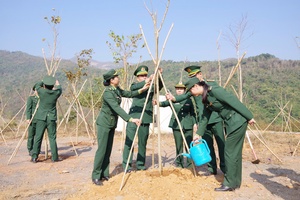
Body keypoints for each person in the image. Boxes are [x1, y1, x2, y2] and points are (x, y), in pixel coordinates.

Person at [182, 78, 255, 191]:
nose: (191, 94)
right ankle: (235, 182)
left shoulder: (215, 91)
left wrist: (249, 116)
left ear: (195, 86)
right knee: (234, 153)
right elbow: (205, 117)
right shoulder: (206, 97)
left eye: (190, 91)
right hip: (231, 123)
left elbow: (233, 101)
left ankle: (229, 183)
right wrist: (198, 134)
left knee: (229, 152)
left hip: (237, 121)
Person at [92, 69, 149, 186]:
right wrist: (130, 119)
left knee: (108, 150)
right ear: (111, 80)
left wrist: (141, 90)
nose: (118, 78)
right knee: (101, 150)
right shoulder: (108, 92)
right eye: (116, 77)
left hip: (111, 123)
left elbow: (128, 94)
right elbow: (116, 108)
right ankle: (96, 176)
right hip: (103, 123)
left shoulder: (116, 90)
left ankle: (104, 173)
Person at [168, 65, 226, 175]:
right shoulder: (193, 88)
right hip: (203, 121)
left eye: (194, 76)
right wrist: (174, 98)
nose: (192, 79)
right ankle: (212, 168)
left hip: (215, 118)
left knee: (221, 144)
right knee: (208, 145)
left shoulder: (212, 84)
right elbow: (183, 96)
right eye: (191, 77)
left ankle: (224, 167)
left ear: (200, 74)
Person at [122, 65, 162, 172]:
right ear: (137, 78)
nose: (144, 77)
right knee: (129, 141)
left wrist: (158, 76)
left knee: (142, 142)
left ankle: (140, 164)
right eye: (141, 76)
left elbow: (159, 87)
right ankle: (127, 165)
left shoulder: (151, 86)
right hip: (134, 117)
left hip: (145, 118)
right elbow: (132, 89)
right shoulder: (136, 85)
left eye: (145, 75)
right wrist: (146, 81)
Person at [153, 82, 196, 168]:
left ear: (184, 90)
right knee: (178, 145)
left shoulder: (189, 100)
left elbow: (193, 113)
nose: (179, 90)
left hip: (188, 125)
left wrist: (194, 123)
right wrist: (158, 103)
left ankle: (189, 164)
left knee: (188, 145)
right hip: (176, 125)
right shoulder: (172, 99)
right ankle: (179, 163)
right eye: (177, 89)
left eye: (181, 89)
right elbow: (164, 104)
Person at [31, 76, 62, 163]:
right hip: (51, 118)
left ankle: (34, 157)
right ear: (53, 85)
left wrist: (43, 80)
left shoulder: (41, 91)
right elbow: (60, 89)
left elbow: (36, 86)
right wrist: (57, 83)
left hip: (41, 117)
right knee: (52, 138)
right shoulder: (56, 93)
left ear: (44, 85)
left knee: (38, 137)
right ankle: (55, 157)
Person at [26, 84, 39, 156]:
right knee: (31, 135)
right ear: (35, 90)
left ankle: (36, 149)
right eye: (37, 89)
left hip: (40, 120)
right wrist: (28, 118)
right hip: (32, 119)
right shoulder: (31, 98)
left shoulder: (42, 98)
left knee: (38, 136)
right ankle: (30, 149)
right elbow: (28, 109)